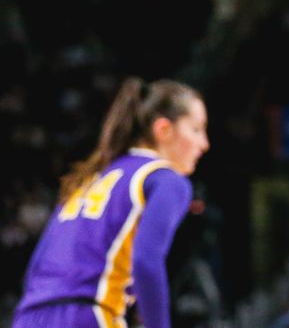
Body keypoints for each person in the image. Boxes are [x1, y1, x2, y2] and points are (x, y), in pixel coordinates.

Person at [12, 78, 209, 328]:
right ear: (163, 130)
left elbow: (34, 269)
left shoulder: (90, 178)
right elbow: (146, 261)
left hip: (28, 318)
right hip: (87, 316)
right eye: (196, 129)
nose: (204, 143)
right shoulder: (166, 179)